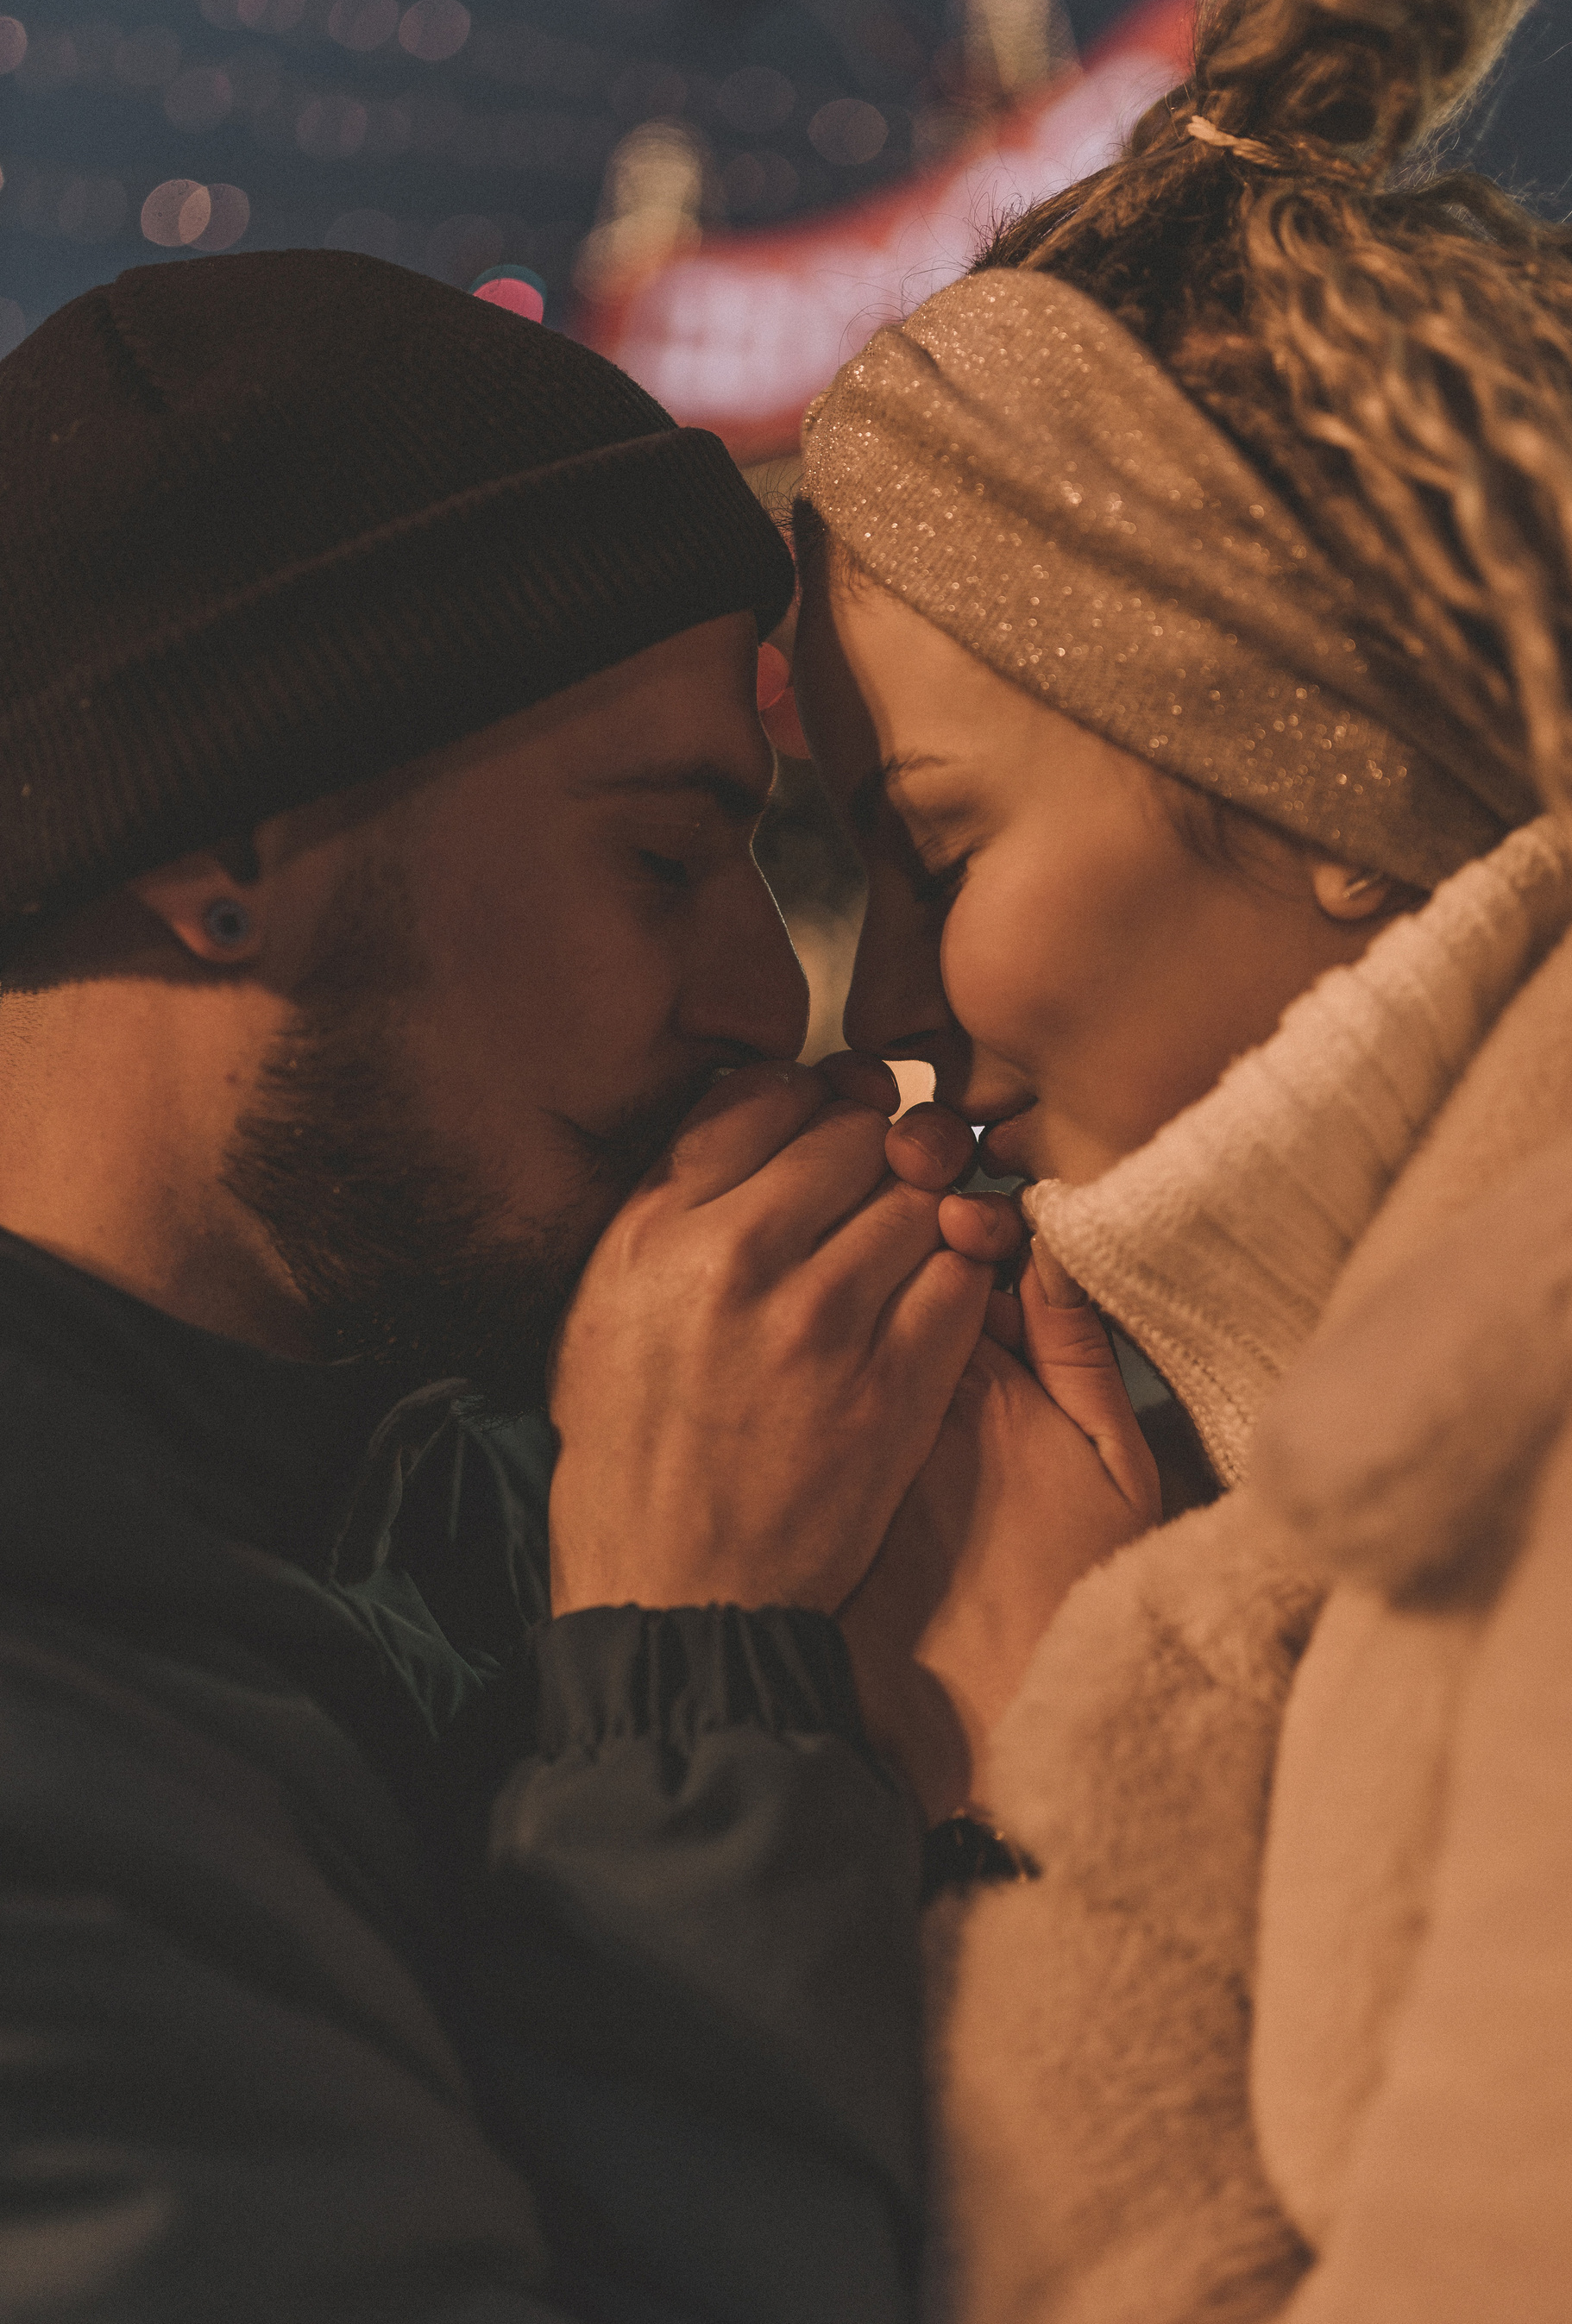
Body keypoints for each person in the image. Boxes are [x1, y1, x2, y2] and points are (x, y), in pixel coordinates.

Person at [0, 244, 1075, 2323]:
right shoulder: (59, 1749)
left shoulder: (430, 1505)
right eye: (663, 859)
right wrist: (694, 1696)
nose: (773, 997)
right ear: (225, 852)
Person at [792, 0, 1572, 2315]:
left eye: (933, 850)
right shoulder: (1409, 1445)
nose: (877, 1013)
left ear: (1311, 773)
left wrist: (1027, 1770)